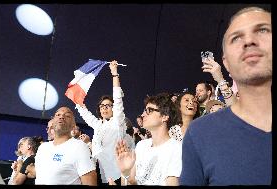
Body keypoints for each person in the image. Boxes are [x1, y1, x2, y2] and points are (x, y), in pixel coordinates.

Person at [180, 7, 271, 185]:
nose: (249, 41)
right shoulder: (200, 134)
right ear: (226, 62)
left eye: (263, 30)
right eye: (236, 38)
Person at [111, 93, 182, 186]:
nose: (143, 115)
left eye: (149, 110)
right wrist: (126, 173)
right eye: (144, 111)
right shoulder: (141, 145)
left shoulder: (177, 148)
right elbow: (131, 182)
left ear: (164, 116)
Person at [76, 60, 126, 185]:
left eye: (108, 105)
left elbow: (118, 99)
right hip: (97, 173)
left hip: (114, 175)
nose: (104, 108)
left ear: (114, 108)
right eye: (102, 106)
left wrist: (114, 74)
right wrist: (76, 98)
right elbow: (84, 112)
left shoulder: (117, 122)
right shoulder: (98, 124)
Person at [35, 106, 97, 185]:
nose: (61, 117)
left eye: (67, 116)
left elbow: (90, 183)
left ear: (73, 125)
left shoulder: (79, 147)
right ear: (52, 122)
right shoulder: (42, 148)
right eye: (58, 115)